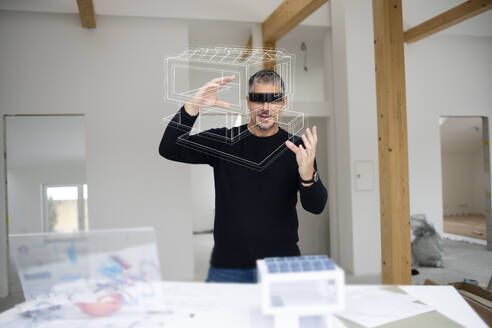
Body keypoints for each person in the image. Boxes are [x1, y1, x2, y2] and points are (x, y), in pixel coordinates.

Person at [159, 70, 327, 283]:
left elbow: (316, 206)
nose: (266, 108)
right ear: (248, 102)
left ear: (283, 102)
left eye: (273, 100)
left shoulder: (298, 148)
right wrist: (193, 105)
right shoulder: (224, 141)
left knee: (284, 318)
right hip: (228, 267)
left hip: (282, 266)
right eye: (259, 99)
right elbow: (169, 148)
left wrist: (307, 174)